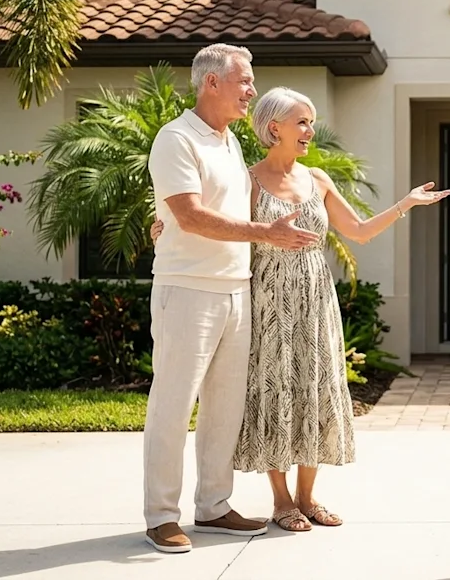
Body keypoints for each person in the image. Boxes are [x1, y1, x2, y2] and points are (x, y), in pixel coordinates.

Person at [152, 86, 450, 533]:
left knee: (315, 389)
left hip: (315, 299)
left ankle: (308, 497)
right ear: (275, 129)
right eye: (303, 122)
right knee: (276, 391)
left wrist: (405, 204)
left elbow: (361, 231)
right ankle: (281, 501)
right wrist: (162, 226)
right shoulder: (246, 179)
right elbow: (204, 217)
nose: (311, 130)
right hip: (268, 298)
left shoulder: (319, 180)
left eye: (311, 121)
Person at [143, 44, 322, 554]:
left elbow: (194, 209)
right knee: (173, 408)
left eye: (252, 80)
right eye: (244, 80)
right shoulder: (176, 138)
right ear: (211, 84)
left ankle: (214, 506)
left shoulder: (229, 143)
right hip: (187, 290)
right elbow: (191, 214)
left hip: (235, 288)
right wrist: (265, 233)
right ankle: (160, 515)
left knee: (224, 408)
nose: (252, 90)